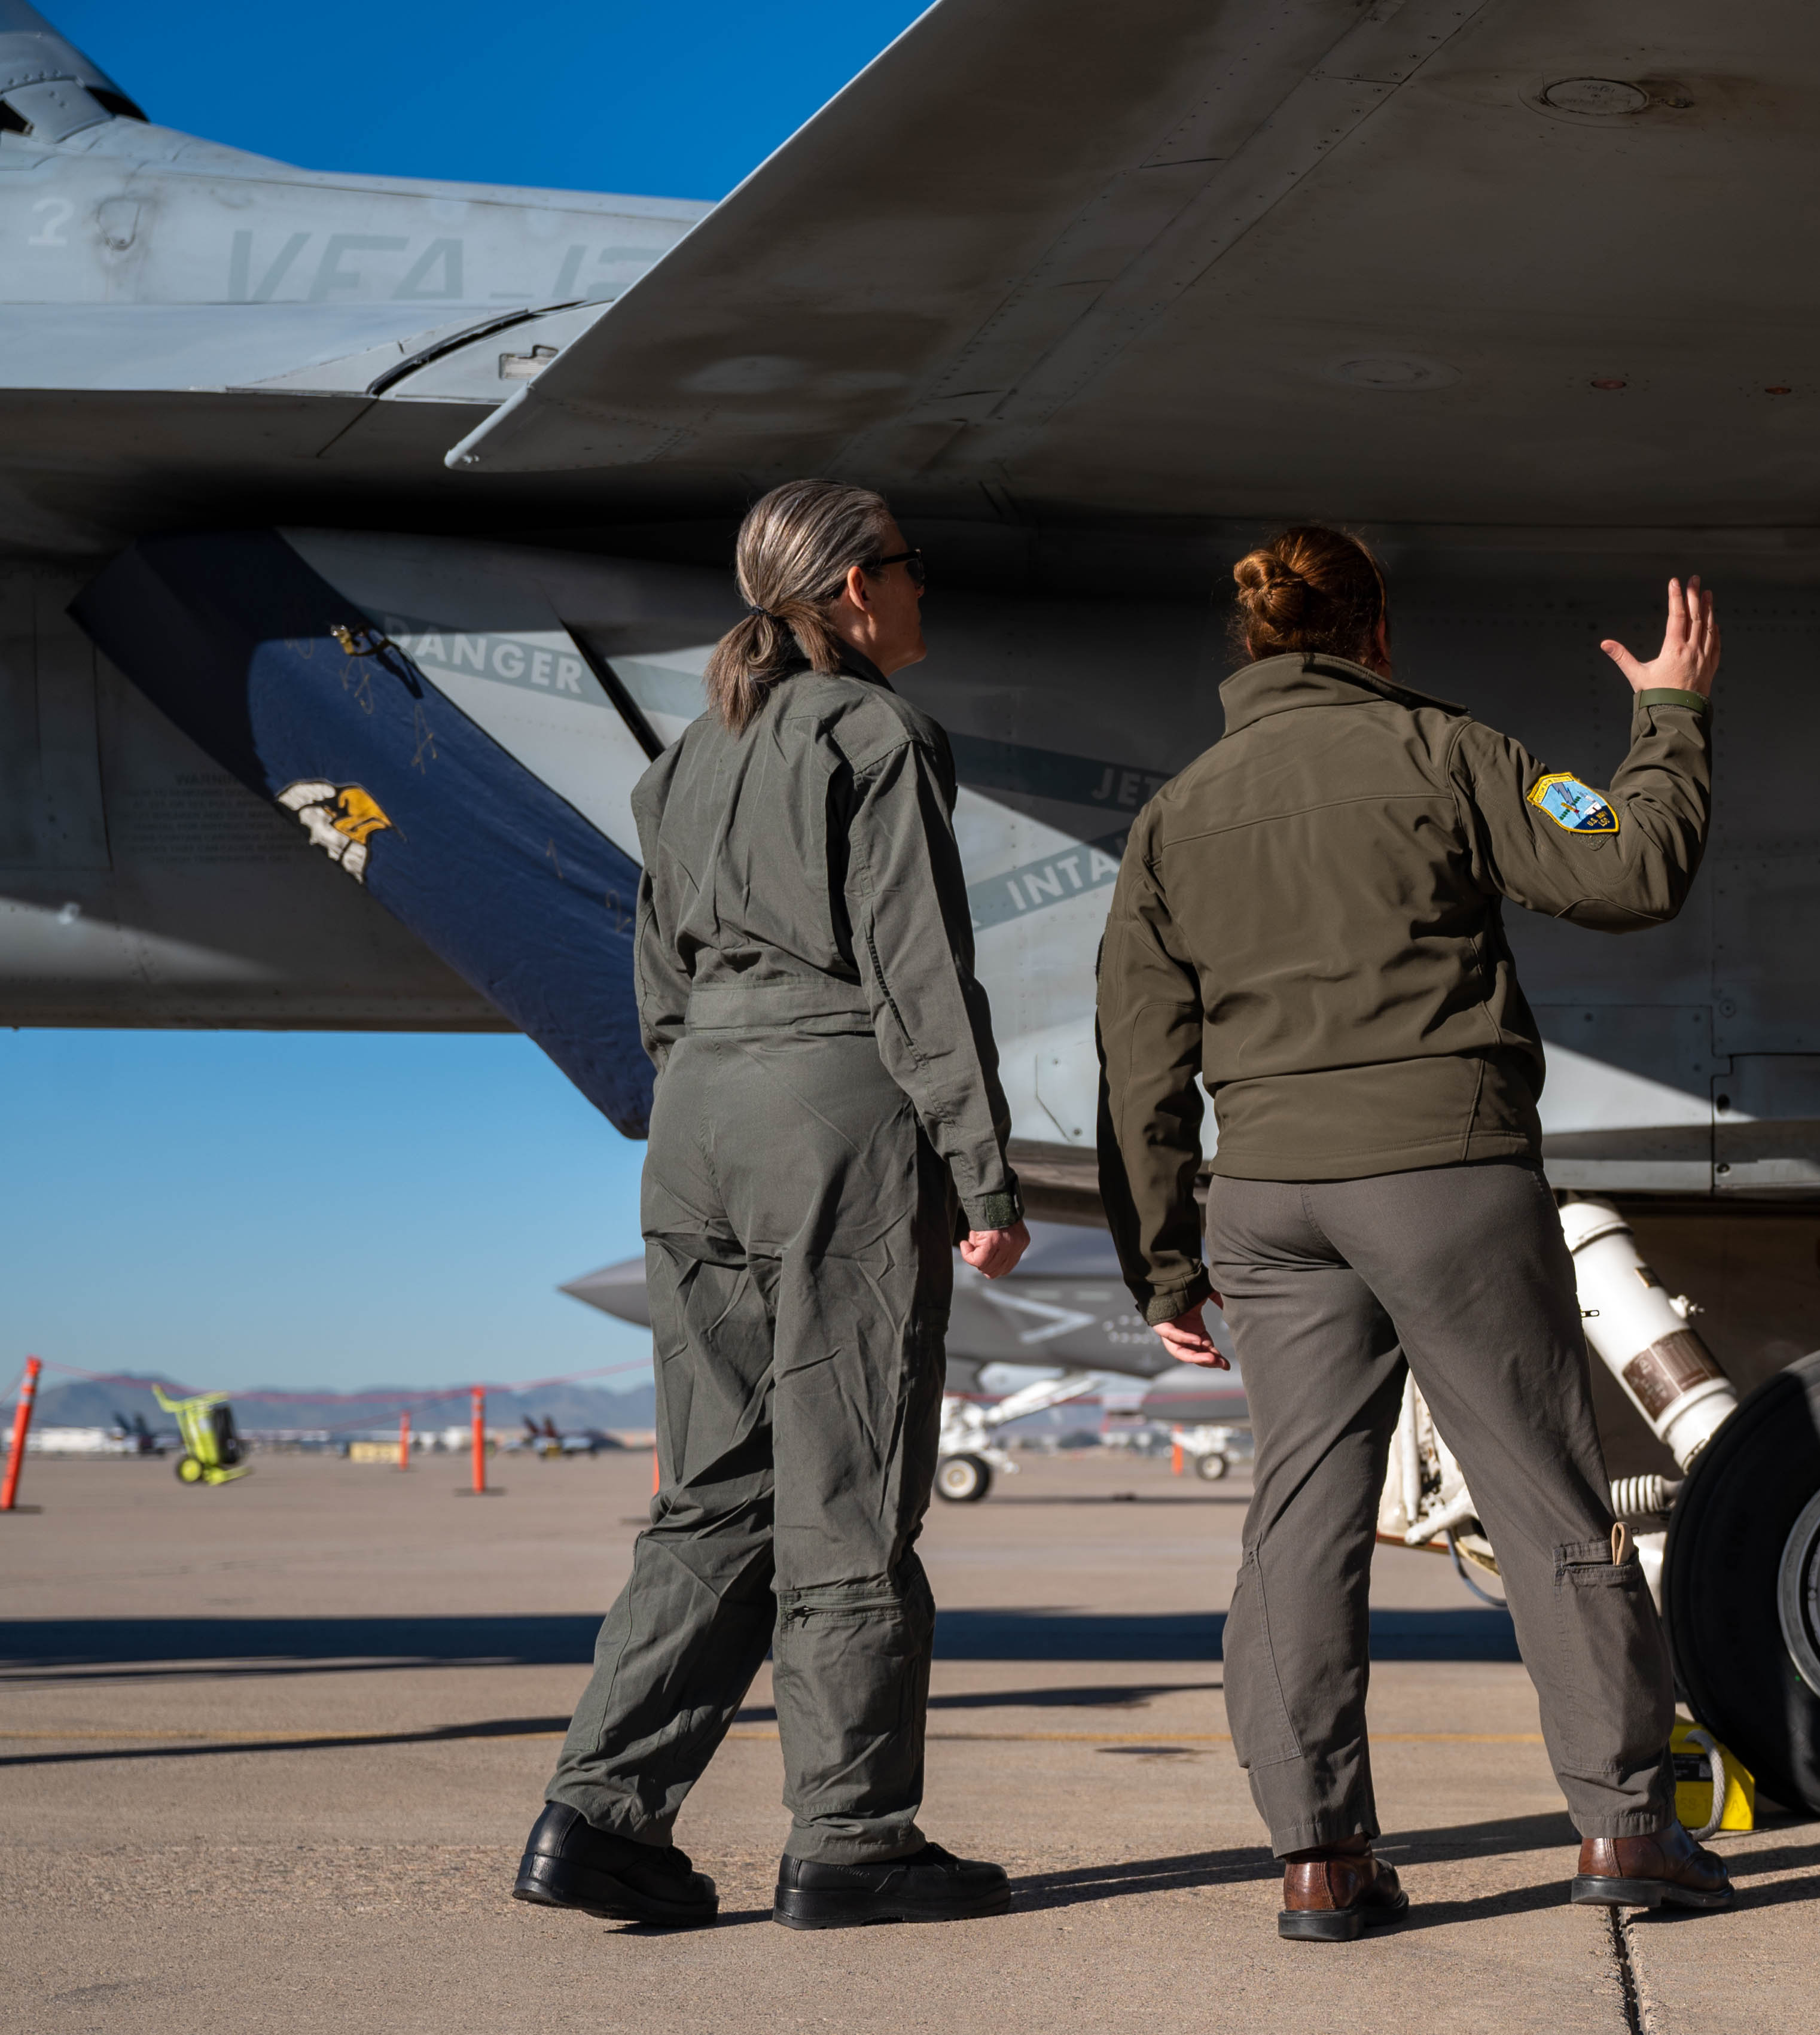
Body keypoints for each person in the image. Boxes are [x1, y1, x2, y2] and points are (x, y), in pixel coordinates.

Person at [1095, 528, 1728, 1942]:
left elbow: (1139, 1063)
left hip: (1267, 1205)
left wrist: (1167, 1260)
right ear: (1376, 633)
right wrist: (1669, 719)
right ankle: (1626, 1828)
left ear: (1258, 644)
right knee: (1545, 1499)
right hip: (1444, 1174)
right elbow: (1630, 873)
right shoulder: (1452, 752)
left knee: (1299, 1528)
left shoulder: (1177, 815)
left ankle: (1320, 1861)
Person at [514, 479, 1031, 1932]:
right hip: (831, 1110)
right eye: (912, 571)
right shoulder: (873, 733)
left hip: (698, 1123)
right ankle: (853, 1840)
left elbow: (655, 994)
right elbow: (921, 968)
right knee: (849, 1485)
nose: (924, 595)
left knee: (710, 1492)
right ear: (857, 587)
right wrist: (978, 1168)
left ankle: (600, 1817)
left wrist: (710, 1105)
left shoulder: (684, 759)